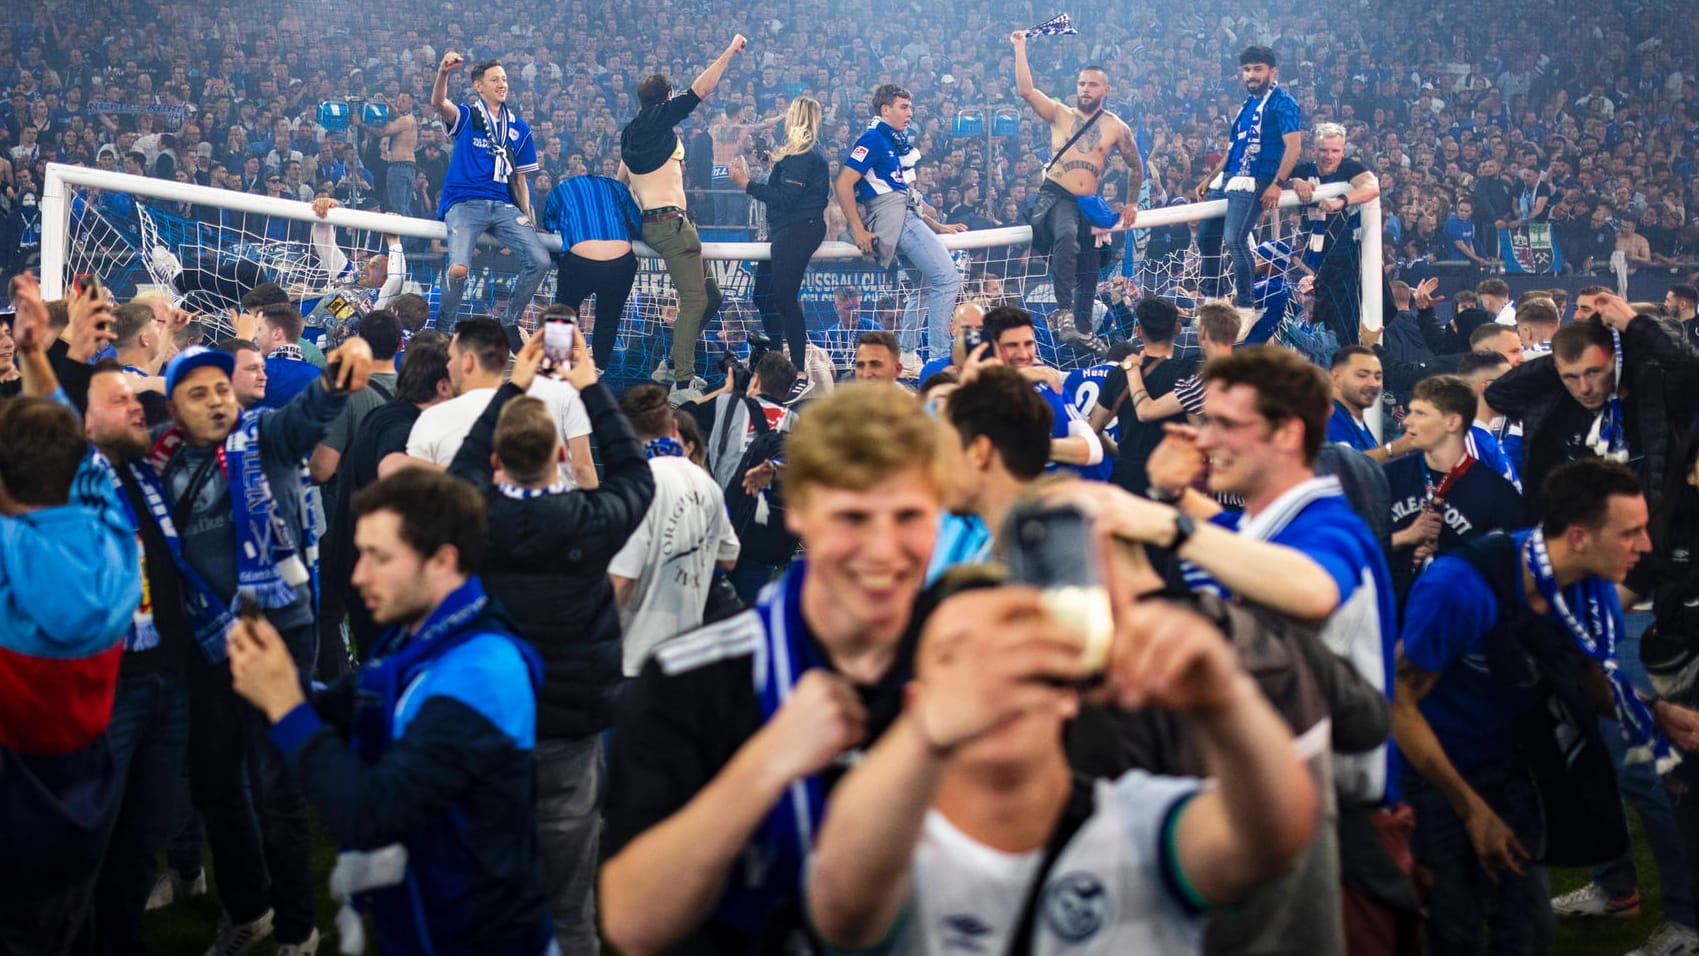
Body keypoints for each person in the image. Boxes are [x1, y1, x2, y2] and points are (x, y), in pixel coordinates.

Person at [599, 383, 945, 955]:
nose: (883, 549)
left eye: (908, 515)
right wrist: (766, 765)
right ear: (803, 510)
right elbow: (631, 921)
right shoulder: (690, 679)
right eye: (852, 516)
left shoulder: (957, 678)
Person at [806, 580, 1320, 953]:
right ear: (916, 702)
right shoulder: (889, 840)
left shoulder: (1138, 823)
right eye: (958, 658)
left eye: (1020, 654)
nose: (995, 682)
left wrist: (1225, 698)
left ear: (1069, 693)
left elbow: (1274, 838)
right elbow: (841, 902)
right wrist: (925, 733)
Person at [1143, 345, 1409, 949]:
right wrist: (1174, 496)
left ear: (1288, 434)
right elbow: (1234, 537)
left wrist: (1165, 524)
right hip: (1284, 814)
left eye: (1225, 424)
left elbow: (1311, 590)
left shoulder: (1329, 527)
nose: (1206, 441)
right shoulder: (1273, 525)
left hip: (1341, 830)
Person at [227, 468, 555, 955]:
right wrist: (272, 681)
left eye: (378, 557)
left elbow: (374, 812)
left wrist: (284, 703)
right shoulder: (416, 638)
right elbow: (339, 710)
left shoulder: (483, 670)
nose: (358, 574)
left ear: (442, 560)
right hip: (424, 921)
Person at [1391, 459, 1699, 955]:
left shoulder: (1592, 584)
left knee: (1528, 929)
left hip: (1519, 768)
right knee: (1453, 930)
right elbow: (1399, 703)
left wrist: (1655, 711)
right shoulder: (1461, 585)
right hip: (1439, 776)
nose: (1646, 546)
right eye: (1631, 533)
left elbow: (1590, 673)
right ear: (1578, 536)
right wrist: (1472, 811)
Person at [154, 332, 377, 956]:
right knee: (220, 785)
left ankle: (299, 929)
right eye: (198, 394)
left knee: (279, 789)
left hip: (282, 633)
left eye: (222, 388)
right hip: (209, 644)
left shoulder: (267, 435)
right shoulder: (158, 463)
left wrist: (335, 382)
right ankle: (248, 911)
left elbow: (311, 412)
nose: (218, 401)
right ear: (174, 409)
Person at [444, 327, 654, 954]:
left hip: (491, 725)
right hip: (568, 730)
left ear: (493, 460)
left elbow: (460, 469)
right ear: (561, 455)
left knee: (486, 896)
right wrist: (588, 384)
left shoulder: (476, 515)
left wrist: (514, 382)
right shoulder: (591, 523)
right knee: (570, 909)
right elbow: (635, 474)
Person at [0, 278, 138, 953]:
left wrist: (35, 354)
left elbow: (65, 447)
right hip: (85, 795)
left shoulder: (10, 555)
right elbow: (71, 450)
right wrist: (38, 357)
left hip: (15, 800)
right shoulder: (115, 536)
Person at [79, 361, 199, 955]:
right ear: (81, 418)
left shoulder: (146, 473)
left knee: (139, 840)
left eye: (136, 397)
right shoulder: (71, 483)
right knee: (84, 840)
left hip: (166, 680)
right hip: (110, 688)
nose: (135, 406)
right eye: (119, 399)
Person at [1486, 295, 1699, 519]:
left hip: (1649, 532)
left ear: (1616, 361)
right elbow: (1497, 394)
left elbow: (1689, 369)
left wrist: (1635, 325)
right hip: (1578, 532)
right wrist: (1561, 361)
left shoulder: (1656, 394)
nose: (1584, 388)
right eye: (1571, 376)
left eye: (1593, 372)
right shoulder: (1553, 403)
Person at [618, 35, 746, 403]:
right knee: (694, 300)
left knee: (712, 296)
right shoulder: (654, 122)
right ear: (666, 99)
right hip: (669, 224)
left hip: (664, 223)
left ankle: (673, 364)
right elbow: (700, 90)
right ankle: (682, 383)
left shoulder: (633, 134)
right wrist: (728, 51)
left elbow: (620, 180)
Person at [324, 332, 453, 659]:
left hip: (364, 569)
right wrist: (469, 472)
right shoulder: (402, 424)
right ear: (443, 385)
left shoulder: (390, 415)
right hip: (377, 579)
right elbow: (393, 470)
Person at [1010, 32, 1141, 349]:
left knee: (1091, 263)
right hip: (1056, 194)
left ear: (1105, 90)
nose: (1085, 89)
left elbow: (1136, 166)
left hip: (1088, 201)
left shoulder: (1116, 127)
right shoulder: (1060, 113)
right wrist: (1020, 47)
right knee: (1066, 236)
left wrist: (1132, 203)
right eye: (1082, 84)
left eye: (1092, 85)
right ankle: (1065, 312)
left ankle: (1083, 330)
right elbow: (1026, 90)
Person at [610, 383, 741, 677]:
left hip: (636, 659)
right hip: (687, 655)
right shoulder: (706, 482)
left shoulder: (638, 484)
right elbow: (729, 558)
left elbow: (622, 580)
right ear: (672, 427)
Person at [835, 83, 966, 363]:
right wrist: (858, 228)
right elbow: (843, 182)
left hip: (903, 215)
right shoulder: (872, 139)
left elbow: (905, 197)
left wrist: (939, 227)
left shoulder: (891, 141)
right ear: (885, 109)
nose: (910, 113)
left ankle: (906, 354)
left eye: (911, 107)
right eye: (904, 107)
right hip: (895, 219)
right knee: (948, 278)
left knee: (927, 285)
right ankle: (940, 358)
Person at [429, 53, 550, 337]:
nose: (502, 84)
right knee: (458, 269)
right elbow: (439, 104)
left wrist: (528, 218)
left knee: (540, 260)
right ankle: (443, 331)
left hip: (504, 207)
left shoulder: (519, 127)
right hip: (465, 202)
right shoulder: (469, 116)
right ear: (478, 86)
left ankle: (508, 321)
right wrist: (443, 72)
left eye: (505, 79)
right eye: (495, 79)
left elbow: (520, 180)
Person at [404, 315, 595, 489]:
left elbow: (410, 491)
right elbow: (573, 476)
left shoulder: (433, 419)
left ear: (468, 361)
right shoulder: (541, 420)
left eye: (452, 357)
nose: (447, 365)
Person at [1384, 374, 1525, 601]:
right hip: (1392, 619)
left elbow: (1511, 573)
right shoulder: (1389, 477)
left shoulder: (1496, 492)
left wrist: (1451, 561)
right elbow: (1358, 548)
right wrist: (1405, 538)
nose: (1408, 421)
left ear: (1452, 422)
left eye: (1420, 413)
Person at [1193, 46, 1303, 325]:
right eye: (1247, 70)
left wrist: (1278, 183)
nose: (1252, 75)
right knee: (1206, 236)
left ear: (1272, 71)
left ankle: (1245, 307)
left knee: (1234, 238)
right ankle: (1214, 299)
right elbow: (1233, 150)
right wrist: (1210, 177)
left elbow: (1293, 147)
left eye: (1258, 69)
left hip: (1257, 179)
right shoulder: (1246, 105)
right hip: (1228, 178)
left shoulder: (1284, 102)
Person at [925, 365, 1051, 581]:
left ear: (979, 452)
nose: (939, 470)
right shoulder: (1042, 540)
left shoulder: (1025, 574)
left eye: (946, 453)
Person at [737, 96, 829, 371]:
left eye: (789, 113)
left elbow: (786, 198)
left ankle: (798, 368)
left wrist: (746, 184)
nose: (785, 117)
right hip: (786, 229)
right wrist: (773, 167)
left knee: (785, 298)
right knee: (762, 293)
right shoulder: (800, 154)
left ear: (797, 117)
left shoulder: (803, 154)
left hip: (800, 229)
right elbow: (793, 188)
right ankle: (775, 353)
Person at [983, 305, 1108, 480]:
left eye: (1028, 344)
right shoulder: (981, 390)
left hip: (1069, 493)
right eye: (1011, 345)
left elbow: (1091, 448)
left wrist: (1025, 447)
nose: (1023, 354)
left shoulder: (1046, 383)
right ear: (991, 347)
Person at [540, 174, 642, 373]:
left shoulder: (562, 189)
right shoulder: (616, 187)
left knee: (563, 312)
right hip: (621, 263)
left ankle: (555, 366)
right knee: (608, 318)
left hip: (579, 262)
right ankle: (598, 369)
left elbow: (550, 229)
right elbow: (637, 225)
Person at [1291, 122, 1380, 346]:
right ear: (1314, 150)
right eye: (1323, 150)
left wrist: (1341, 200)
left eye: (1335, 151)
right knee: (1316, 321)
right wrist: (1295, 181)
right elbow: (1275, 182)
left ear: (1343, 151)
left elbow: (1372, 188)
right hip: (1313, 258)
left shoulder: (1349, 168)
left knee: (1344, 322)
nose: (1329, 156)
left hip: (1346, 257)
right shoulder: (1302, 170)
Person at [1096, 297, 1196, 493]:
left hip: (1126, 480)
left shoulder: (1118, 373)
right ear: (1178, 329)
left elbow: (1094, 429)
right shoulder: (1189, 373)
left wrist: (1120, 450)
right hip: (1172, 483)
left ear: (1138, 331)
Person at [1327, 345, 1409, 462]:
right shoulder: (1327, 420)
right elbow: (1348, 466)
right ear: (1336, 378)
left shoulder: (1356, 420)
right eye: (1362, 375)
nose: (1372, 383)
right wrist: (1394, 449)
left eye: (1377, 377)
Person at [253, 302, 323, 410]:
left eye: (259, 329)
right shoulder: (321, 376)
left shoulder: (259, 373)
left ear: (277, 333)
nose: (255, 336)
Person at [915, 301, 986, 384]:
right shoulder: (932, 370)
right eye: (967, 327)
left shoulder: (997, 368)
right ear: (952, 330)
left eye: (980, 328)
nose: (974, 333)